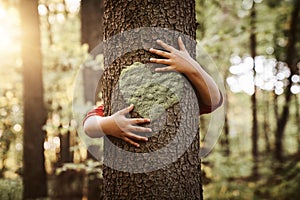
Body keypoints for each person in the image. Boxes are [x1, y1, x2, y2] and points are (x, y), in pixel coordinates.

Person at [83, 37, 223, 147]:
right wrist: (108, 124)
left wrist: (193, 68)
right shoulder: (121, 104)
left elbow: (214, 100)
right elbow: (89, 125)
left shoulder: (186, 96)